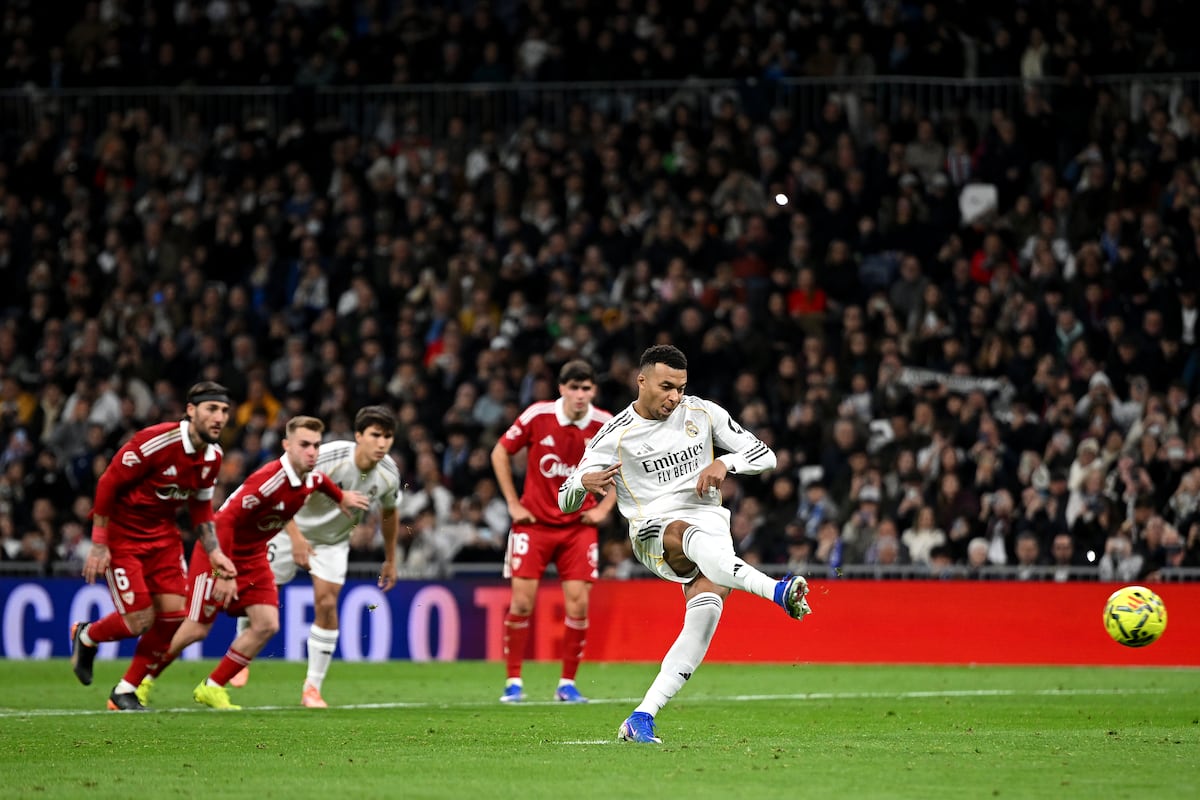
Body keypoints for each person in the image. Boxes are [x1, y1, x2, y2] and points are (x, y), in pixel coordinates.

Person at [558, 345, 811, 744]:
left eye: (680, 387)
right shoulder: (615, 434)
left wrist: (725, 462)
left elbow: (766, 457)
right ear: (642, 381)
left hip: (710, 522)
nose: (675, 396)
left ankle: (642, 716)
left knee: (706, 610)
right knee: (680, 531)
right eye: (666, 387)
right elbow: (565, 499)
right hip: (654, 530)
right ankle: (776, 591)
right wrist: (580, 483)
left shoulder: (702, 412)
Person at [134, 415, 370, 710]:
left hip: (254, 554)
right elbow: (225, 522)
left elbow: (321, 482)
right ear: (286, 445)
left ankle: (213, 686)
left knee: (266, 624)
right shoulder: (269, 481)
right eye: (304, 445)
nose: (312, 452)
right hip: (218, 551)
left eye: (316, 446)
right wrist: (223, 572)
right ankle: (139, 680)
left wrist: (341, 496)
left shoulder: (311, 478)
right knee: (195, 629)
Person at [70, 381, 239, 711]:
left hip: (163, 536)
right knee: (140, 621)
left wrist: (215, 551)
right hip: (123, 534)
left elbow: (200, 508)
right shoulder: (156, 441)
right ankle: (87, 635)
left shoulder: (213, 456)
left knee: (175, 617)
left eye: (224, 410)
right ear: (191, 411)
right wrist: (100, 542)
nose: (219, 417)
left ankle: (125, 690)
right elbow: (108, 483)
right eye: (212, 409)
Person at [231, 405, 401, 707]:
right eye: (375, 435)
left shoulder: (389, 473)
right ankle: (241, 656)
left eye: (387, 437)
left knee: (327, 603)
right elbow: (283, 493)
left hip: (332, 542)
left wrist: (390, 559)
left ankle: (312, 687)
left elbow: (389, 514)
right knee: (260, 595)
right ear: (358, 436)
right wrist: (297, 539)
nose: (382, 443)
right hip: (287, 529)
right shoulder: (328, 457)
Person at [490, 359, 616, 703]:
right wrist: (513, 503)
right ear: (562, 389)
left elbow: (625, 467)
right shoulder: (538, 415)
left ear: (594, 390)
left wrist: (604, 508)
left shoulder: (605, 423)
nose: (580, 395)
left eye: (586, 388)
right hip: (534, 524)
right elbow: (500, 452)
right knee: (521, 602)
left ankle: (567, 684)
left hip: (577, 527)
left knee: (579, 605)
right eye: (574, 388)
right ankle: (513, 682)